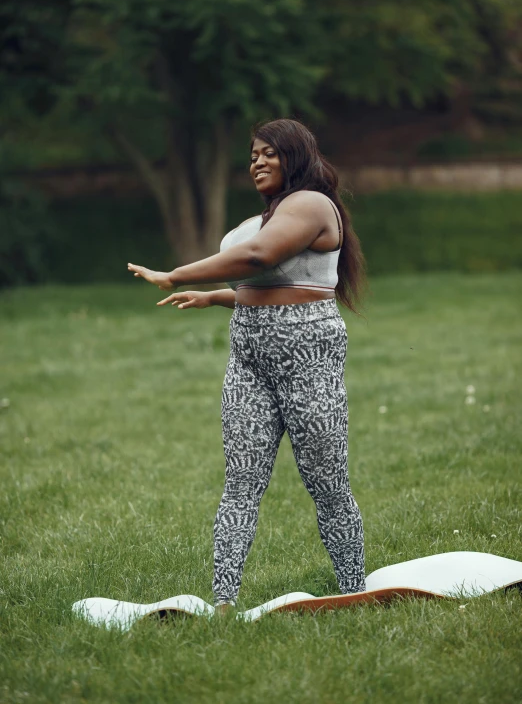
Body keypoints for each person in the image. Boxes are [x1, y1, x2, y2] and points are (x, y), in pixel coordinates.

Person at [128, 118, 367, 612]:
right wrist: (214, 297)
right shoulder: (271, 214)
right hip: (250, 357)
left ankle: (355, 589)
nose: (256, 161)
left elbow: (259, 257)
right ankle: (223, 602)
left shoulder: (312, 204)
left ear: (295, 156)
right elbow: (267, 285)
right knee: (241, 480)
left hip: (309, 356)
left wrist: (173, 275)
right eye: (253, 154)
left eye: (269, 153)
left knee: (327, 481)